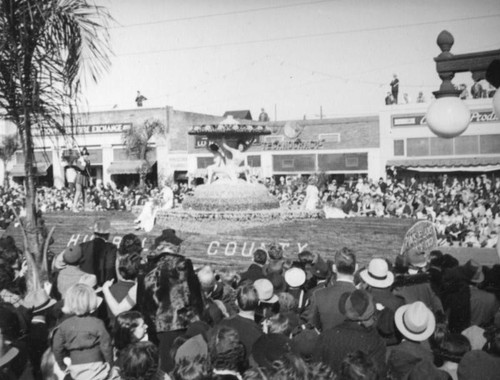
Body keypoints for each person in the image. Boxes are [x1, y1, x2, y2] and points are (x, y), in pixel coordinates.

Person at [52, 284, 113, 380]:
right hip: (96, 366)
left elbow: (56, 348)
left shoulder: (64, 325)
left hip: (75, 367)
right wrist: (110, 364)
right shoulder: (97, 323)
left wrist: (62, 365)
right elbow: (106, 346)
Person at [304, 247, 357, 331]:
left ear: (334, 268)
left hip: (325, 341)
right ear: (356, 268)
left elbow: (311, 326)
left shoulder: (319, 295)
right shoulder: (364, 296)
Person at [72, 148, 91, 212]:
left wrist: (86, 163)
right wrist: (83, 163)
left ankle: (85, 207)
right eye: (85, 155)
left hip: (85, 177)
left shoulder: (87, 162)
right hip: (79, 177)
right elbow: (82, 169)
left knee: (85, 193)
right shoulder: (78, 161)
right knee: (78, 192)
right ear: (82, 156)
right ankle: (74, 207)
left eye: (87, 155)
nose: (86, 156)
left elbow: (89, 170)